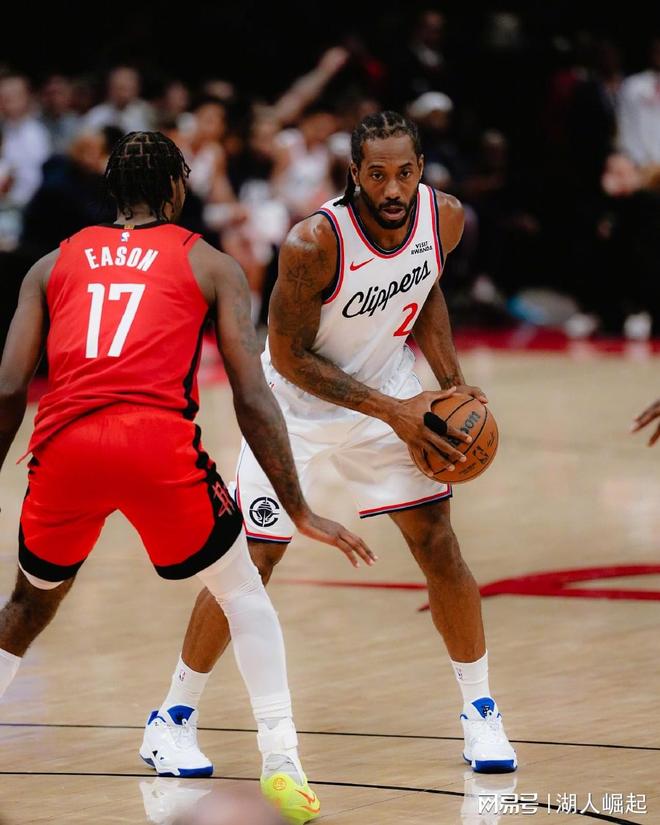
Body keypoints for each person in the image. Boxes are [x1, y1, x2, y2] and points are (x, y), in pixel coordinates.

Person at [0, 131, 375, 824]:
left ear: (111, 190)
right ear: (178, 187)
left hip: (66, 448)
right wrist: (297, 506)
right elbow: (252, 395)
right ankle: (282, 762)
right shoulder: (211, 264)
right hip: (155, 447)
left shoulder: (51, 264)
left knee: (29, 603)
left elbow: (7, 388)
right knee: (243, 594)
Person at [147, 111, 517, 779]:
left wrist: (450, 383)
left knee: (439, 544)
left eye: (404, 172)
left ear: (420, 168)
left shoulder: (445, 218)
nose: (392, 188)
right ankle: (171, 718)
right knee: (249, 564)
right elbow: (289, 357)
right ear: (354, 174)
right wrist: (395, 412)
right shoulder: (313, 242)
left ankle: (481, 709)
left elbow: (426, 286)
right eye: (377, 174)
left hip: (391, 395)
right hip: (296, 410)